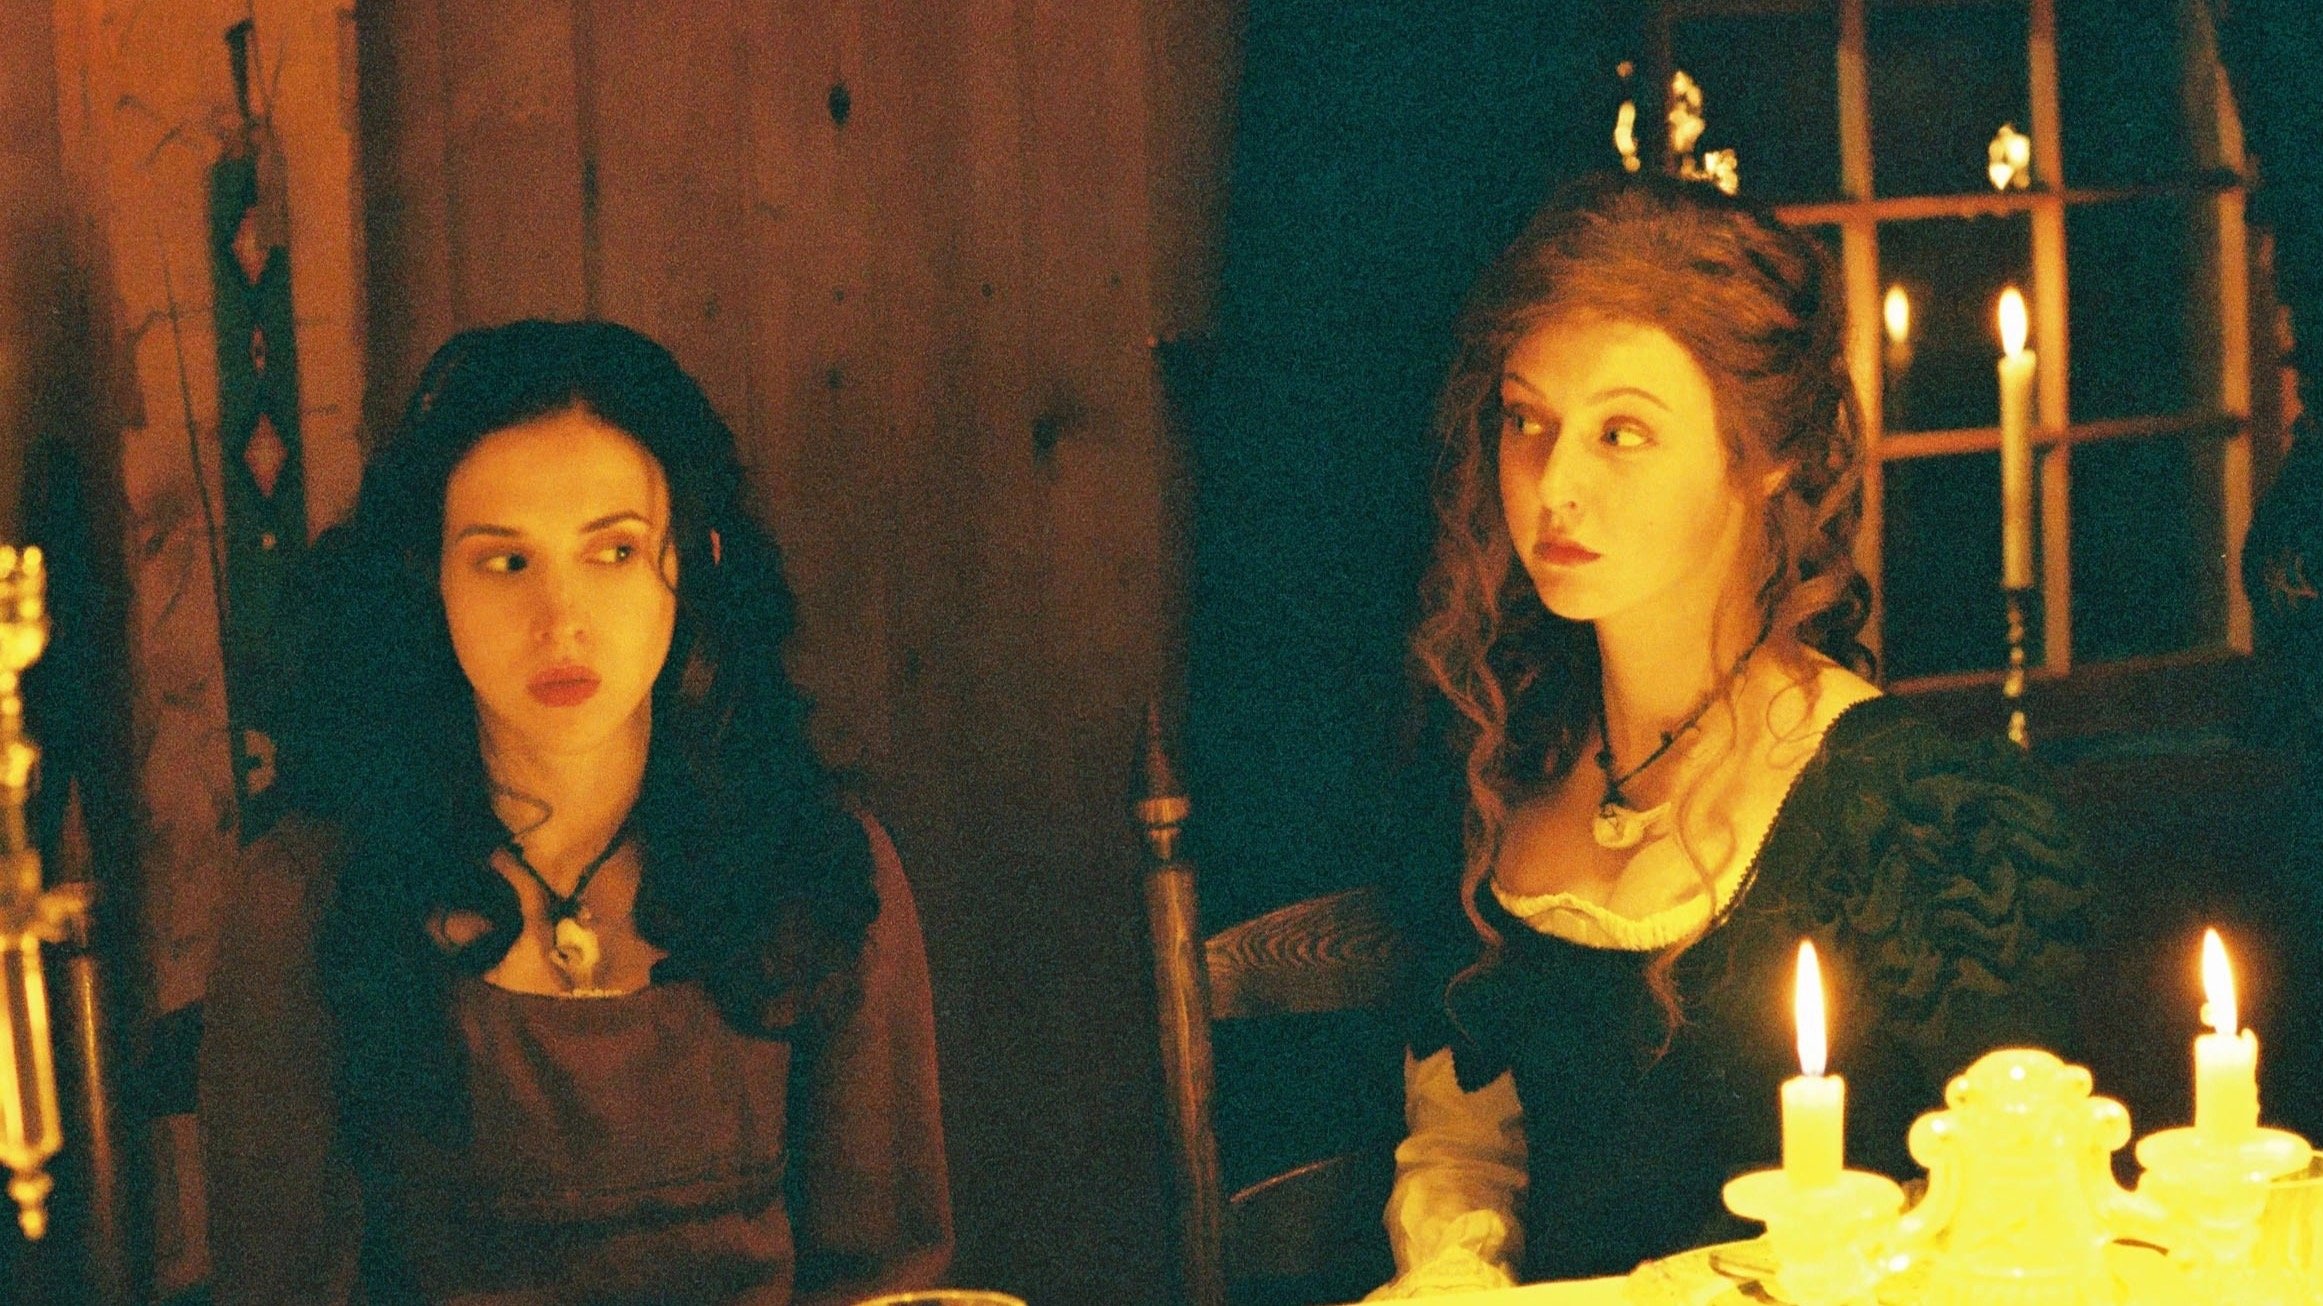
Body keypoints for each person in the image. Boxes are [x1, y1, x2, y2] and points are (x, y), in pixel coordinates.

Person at [1372, 173, 2093, 1293]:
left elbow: (2012, 1220)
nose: (1554, 484)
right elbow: (1468, 1150)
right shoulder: (1498, 765)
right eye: (1526, 420)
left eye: (1621, 433)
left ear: (1764, 457)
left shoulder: (1910, 815)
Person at [199, 320, 951, 1304]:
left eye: (614, 551)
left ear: (695, 559)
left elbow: (886, 1280)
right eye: (504, 562)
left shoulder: (816, 863)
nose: (561, 620)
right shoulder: (308, 900)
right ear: (431, 579)